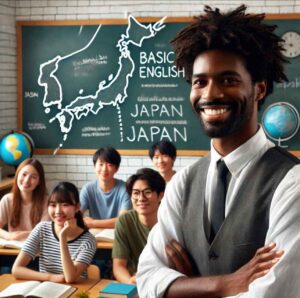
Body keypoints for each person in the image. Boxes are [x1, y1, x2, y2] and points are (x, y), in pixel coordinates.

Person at [137, 5, 300, 298]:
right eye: (200, 81)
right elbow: (147, 278)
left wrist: (186, 287)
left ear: (259, 89)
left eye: (228, 80)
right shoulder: (182, 184)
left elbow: (274, 294)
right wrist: (223, 284)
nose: (210, 94)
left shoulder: (292, 183)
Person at [12, 181, 96, 283]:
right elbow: (16, 269)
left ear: (77, 207)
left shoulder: (88, 240)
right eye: (53, 205)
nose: (57, 211)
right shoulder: (41, 229)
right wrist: (50, 277)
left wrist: (62, 237)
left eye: (65, 205)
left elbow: (70, 278)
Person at [112, 168, 165, 284]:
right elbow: (118, 266)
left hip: (164, 283)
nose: (141, 198)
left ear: (160, 195)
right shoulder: (125, 221)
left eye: (147, 192)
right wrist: (130, 282)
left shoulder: (170, 221)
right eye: (135, 193)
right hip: (135, 283)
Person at [80, 146, 132, 229]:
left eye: (109, 165)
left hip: (118, 232)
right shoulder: (87, 189)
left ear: (116, 168)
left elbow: (123, 220)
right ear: (94, 167)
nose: (104, 169)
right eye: (101, 164)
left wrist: (93, 223)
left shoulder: (125, 189)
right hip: (95, 234)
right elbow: (76, 214)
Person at [0, 158, 49, 241]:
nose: (26, 181)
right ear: (17, 175)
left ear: (39, 181)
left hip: (37, 251)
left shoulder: (47, 202)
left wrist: (20, 235)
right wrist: (10, 236)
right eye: (24, 174)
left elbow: (44, 233)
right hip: (13, 249)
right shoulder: (7, 200)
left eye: (33, 177)